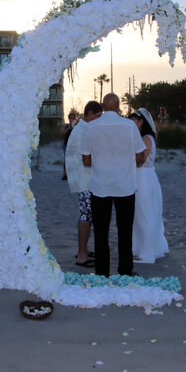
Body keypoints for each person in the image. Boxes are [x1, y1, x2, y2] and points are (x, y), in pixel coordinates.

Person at [80, 93, 146, 277]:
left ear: (103, 105)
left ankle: (102, 272)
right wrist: (125, 161)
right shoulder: (129, 126)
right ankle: (125, 270)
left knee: (101, 232)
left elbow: (85, 160)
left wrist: (103, 161)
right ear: (118, 107)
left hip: (100, 186)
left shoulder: (91, 127)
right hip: (125, 185)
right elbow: (141, 156)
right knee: (125, 231)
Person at [129, 108, 169, 264]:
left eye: (134, 122)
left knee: (144, 214)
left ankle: (146, 252)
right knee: (144, 214)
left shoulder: (145, 139)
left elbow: (139, 161)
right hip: (145, 177)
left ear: (141, 123)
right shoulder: (145, 137)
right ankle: (143, 248)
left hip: (142, 178)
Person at [65, 101, 102, 267]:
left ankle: (84, 250)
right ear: (91, 114)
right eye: (99, 116)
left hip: (83, 179)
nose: (100, 120)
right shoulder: (85, 131)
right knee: (86, 217)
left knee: (86, 216)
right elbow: (88, 158)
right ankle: (81, 255)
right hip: (86, 180)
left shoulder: (80, 129)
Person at [61, 112, 78, 180]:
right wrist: (69, 128)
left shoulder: (77, 126)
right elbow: (61, 133)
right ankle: (65, 175)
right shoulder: (66, 126)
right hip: (67, 145)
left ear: (75, 118)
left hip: (74, 145)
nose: (72, 119)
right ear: (68, 119)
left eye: (73, 118)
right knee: (66, 160)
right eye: (71, 118)